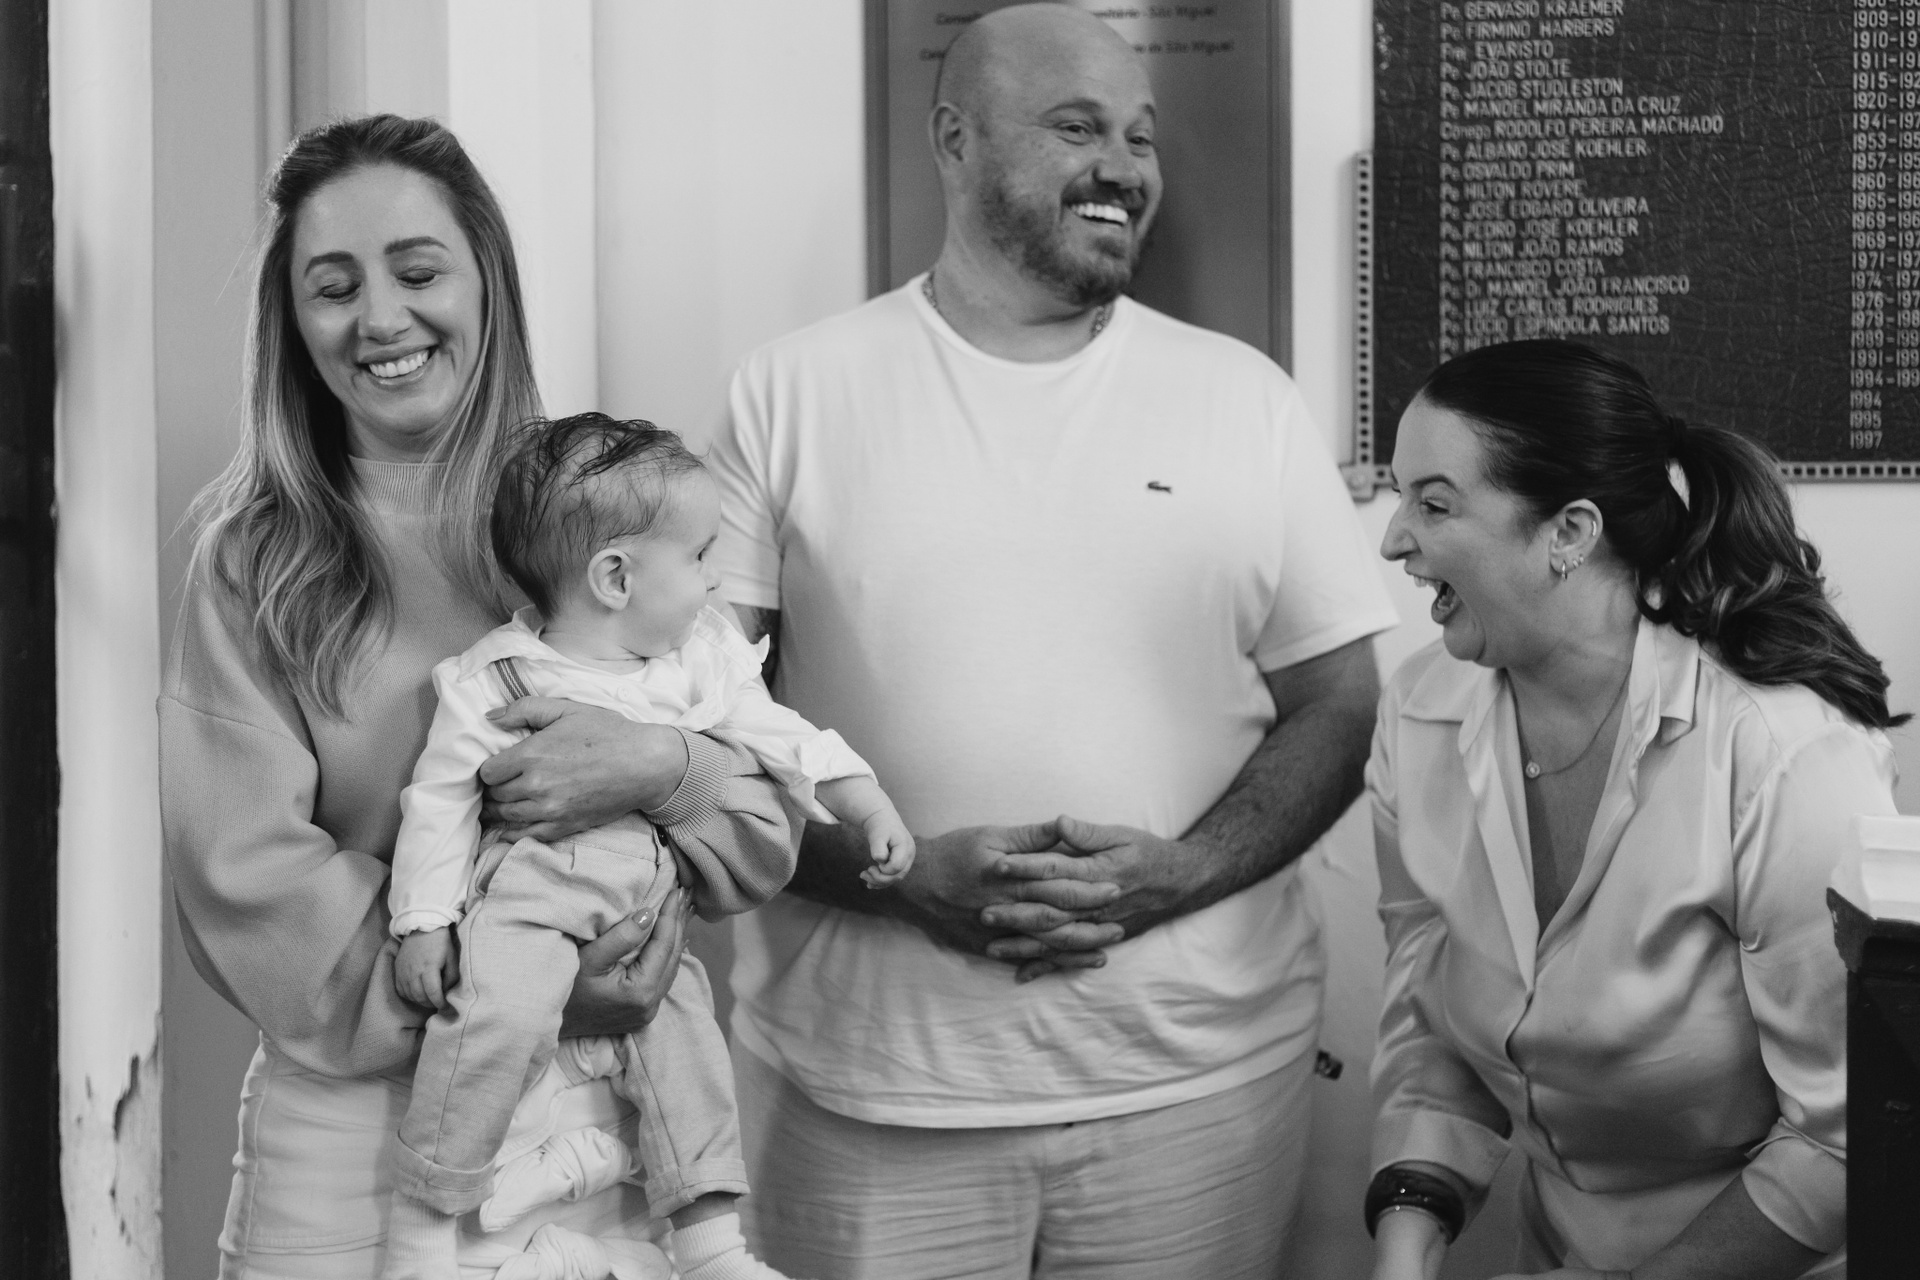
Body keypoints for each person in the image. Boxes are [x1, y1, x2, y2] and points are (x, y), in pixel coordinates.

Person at [705, 6, 1400, 1277]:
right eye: (1078, 127)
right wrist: (899, 875)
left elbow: (1342, 703)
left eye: (1141, 136)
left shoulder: (1243, 397)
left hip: (1192, 1093)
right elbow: (702, 731)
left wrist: (1182, 872)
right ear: (954, 139)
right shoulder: (790, 392)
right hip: (871, 1093)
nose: (1123, 167)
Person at [160, 115, 795, 1279]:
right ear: (292, 324)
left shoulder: (604, 510)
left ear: (485, 282)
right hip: (358, 1140)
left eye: (418, 271)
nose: (381, 318)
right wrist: (520, 984)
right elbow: (242, 872)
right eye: (333, 287)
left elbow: (761, 816)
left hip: (613, 1117)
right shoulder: (254, 560)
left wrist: (669, 769)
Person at [1365, 339, 1903, 1280]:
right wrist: (1407, 1237)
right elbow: (1432, 1019)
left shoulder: (1781, 751)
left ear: (1570, 533)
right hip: (1554, 1247)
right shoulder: (1418, 711)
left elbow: (1844, 1135)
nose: (1393, 538)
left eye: (1434, 503)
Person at [383, 413, 911, 1280]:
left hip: (650, 908)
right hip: (531, 899)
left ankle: (711, 1248)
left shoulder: (698, 665)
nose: (715, 579)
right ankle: (429, 1222)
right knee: (491, 1020)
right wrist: (425, 920)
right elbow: (438, 802)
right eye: (700, 557)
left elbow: (784, 740)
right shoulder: (497, 678)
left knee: (690, 1052)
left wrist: (866, 800)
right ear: (616, 577)